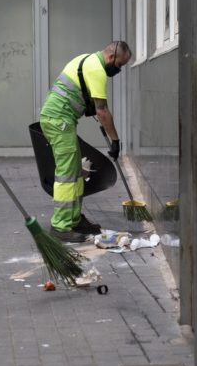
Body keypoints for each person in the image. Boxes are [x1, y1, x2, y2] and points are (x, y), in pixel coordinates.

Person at [39, 41, 132, 242]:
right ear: (111, 57)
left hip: (60, 119)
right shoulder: (97, 70)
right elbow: (103, 111)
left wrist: (86, 104)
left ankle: (74, 220)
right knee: (66, 174)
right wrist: (115, 141)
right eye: (119, 65)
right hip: (59, 121)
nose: (119, 69)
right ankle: (61, 226)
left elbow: (79, 88)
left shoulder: (85, 58)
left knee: (77, 171)